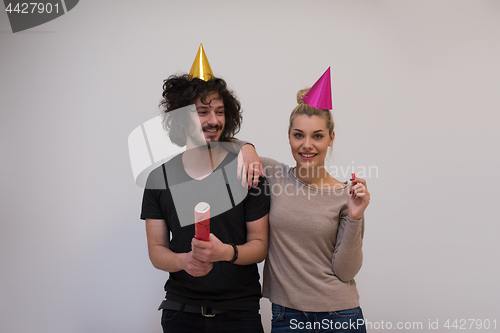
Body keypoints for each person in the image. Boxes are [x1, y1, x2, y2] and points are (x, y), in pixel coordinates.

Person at [140, 45, 270, 333]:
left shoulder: (247, 171)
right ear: (180, 118)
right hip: (180, 312)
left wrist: (225, 252)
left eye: (220, 112)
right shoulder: (158, 179)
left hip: (240, 314)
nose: (214, 120)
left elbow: (260, 246)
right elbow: (156, 250)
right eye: (202, 112)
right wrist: (183, 261)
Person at [259, 82, 370, 332]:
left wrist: (355, 217)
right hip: (286, 316)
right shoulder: (272, 174)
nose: (307, 145)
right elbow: (223, 148)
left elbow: (346, 271)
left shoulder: (346, 195)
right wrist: (246, 148)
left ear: (331, 138)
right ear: (289, 137)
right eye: (299, 135)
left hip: (340, 316)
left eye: (317, 136)